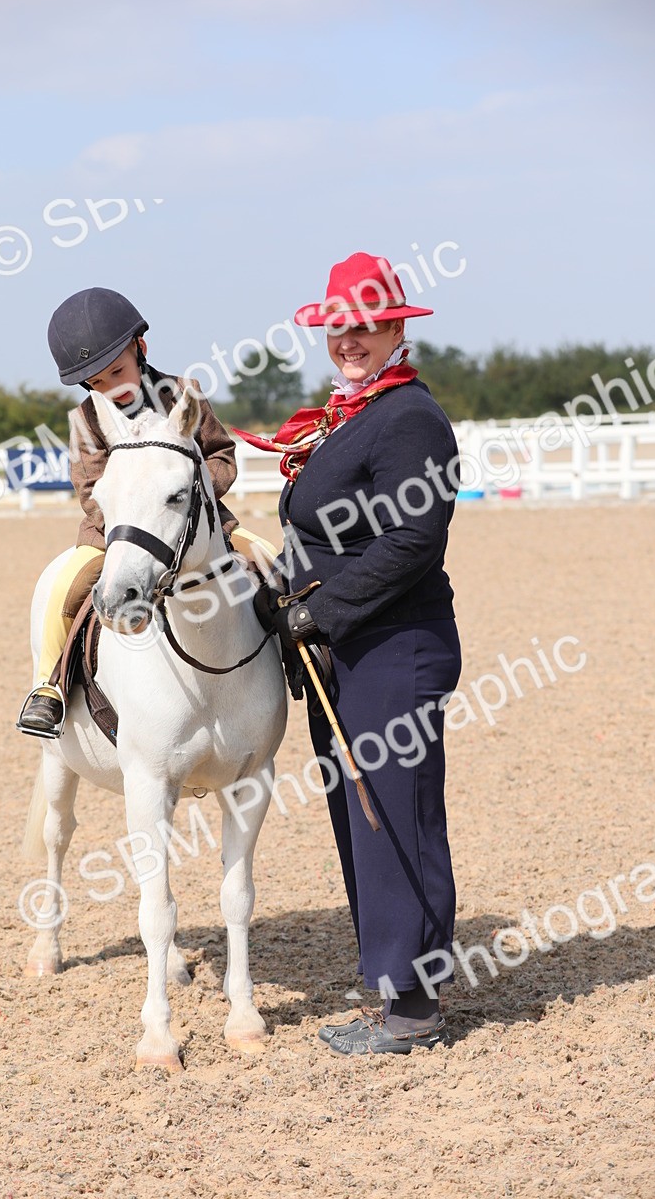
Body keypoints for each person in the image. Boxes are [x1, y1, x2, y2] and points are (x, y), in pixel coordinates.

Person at [249, 252, 462, 1055]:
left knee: (394, 818)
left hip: (393, 647)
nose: (350, 340)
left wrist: (322, 609)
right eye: (340, 327)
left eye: (366, 327)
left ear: (397, 328)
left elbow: (414, 537)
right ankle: (396, 989)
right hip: (343, 651)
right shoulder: (351, 413)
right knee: (362, 817)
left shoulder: (408, 418)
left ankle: (413, 1011)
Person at [18, 286, 251, 735]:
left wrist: (198, 490)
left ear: (140, 348)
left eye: (117, 371)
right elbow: (89, 488)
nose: (112, 388)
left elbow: (221, 453)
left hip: (200, 523)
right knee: (64, 591)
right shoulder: (85, 420)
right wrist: (130, 519)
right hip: (115, 534)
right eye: (98, 382)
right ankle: (50, 685)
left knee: (266, 565)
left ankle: (295, 660)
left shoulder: (183, 393)